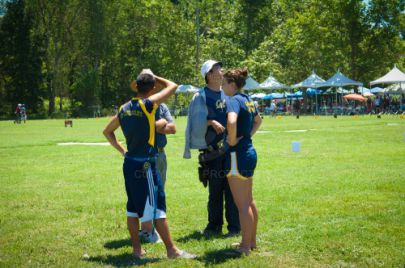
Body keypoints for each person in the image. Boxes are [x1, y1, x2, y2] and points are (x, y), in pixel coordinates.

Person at [103, 69, 195, 259]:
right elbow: (173, 86)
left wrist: (123, 151)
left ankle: (137, 250)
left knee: (132, 208)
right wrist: (156, 77)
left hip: (129, 164)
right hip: (146, 165)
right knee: (157, 208)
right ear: (152, 87)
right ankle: (172, 250)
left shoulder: (124, 108)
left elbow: (107, 131)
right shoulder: (149, 104)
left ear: (136, 86)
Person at [184, 60, 240, 236]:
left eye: (221, 69)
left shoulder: (227, 94)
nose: (221, 72)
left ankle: (234, 227)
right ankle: (214, 226)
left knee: (232, 190)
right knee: (215, 190)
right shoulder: (201, 96)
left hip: (230, 149)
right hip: (212, 152)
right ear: (209, 74)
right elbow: (194, 122)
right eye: (217, 69)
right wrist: (210, 121)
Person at [222, 68, 262, 256]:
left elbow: (231, 122)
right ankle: (251, 242)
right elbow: (258, 121)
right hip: (249, 151)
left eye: (224, 83)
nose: (222, 87)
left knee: (242, 204)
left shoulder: (233, 100)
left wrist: (231, 140)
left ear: (232, 84)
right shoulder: (248, 99)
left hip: (236, 155)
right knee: (249, 200)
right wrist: (247, 136)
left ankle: (245, 247)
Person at [139, 102, 176, 243]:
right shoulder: (140, 106)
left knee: (158, 193)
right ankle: (147, 230)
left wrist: (157, 125)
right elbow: (145, 130)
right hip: (146, 155)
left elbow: (173, 129)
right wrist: (162, 122)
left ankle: (149, 229)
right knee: (147, 193)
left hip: (160, 155)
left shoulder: (162, 106)